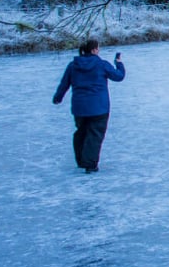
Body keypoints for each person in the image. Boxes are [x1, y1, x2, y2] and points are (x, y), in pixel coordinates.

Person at [52, 37, 126, 173]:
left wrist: (58, 97)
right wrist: (119, 63)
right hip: (99, 108)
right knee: (95, 135)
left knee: (81, 132)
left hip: (79, 108)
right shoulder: (102, 64)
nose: (99, 50)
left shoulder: (73, 65)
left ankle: (81, 160)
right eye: (98, 48)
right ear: (93, 50)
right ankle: (90, 164)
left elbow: (64, 84)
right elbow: (119, 76)